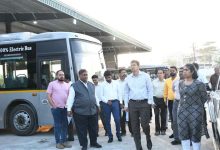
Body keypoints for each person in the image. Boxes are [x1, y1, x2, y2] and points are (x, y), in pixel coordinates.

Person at [66, 69, 102, 150]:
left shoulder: (91, 85)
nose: (86, 76)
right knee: (82, 130)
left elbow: (95, 96)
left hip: (92, 111)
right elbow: (70, 98)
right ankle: (84, 145)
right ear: (80, 76)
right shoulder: (74, 86)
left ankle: (93, 142)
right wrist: (69, 109)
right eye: (84, 75)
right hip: (80, 112)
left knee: (94, 128)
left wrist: (98, 105)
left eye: (86, 74)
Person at [124, 60, 154, 150]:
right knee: (134, 127)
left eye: (134, 65)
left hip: (144, 103)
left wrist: (149, 102)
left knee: (145, 124)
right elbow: (126, 92)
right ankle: (138, 147)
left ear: (138, 66)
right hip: (132, 104)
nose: (132, 67)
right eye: (131, 65)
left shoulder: (145, 76)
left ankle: (148, 137)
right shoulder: (128, 78)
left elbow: (150, 89)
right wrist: (126, 105)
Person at [178, 64, 208, 150]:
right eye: (183, 70)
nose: (184, 72)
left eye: (186, 70)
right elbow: (181, 97)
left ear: (192, 71)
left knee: (195, 133)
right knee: (183, 133)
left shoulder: (199, 84)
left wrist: (196, 107)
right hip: (182, 112)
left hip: (196, 112)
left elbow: (204, 97)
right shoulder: (181, 83)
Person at [47, 70, 72, 149]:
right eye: (60, 75)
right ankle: (58, 142)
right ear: (57, 76)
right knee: (57, 125)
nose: (62, 76)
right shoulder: (52, 84)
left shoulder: (67, 85)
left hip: (65, 108)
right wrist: (53, 106)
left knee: (65, 125)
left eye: (63, 75)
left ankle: (64, 141)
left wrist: (69, 107)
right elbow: (48, 96)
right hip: (56, 108)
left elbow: (69, 97)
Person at [100, 70, 122, 143]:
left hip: (115, 102)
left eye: (109, 76)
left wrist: (120, 102)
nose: (108, 78)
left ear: (111, 76)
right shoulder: (102, 85)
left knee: (117, 119)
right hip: (106, 104)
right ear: (105, 77)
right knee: (107, 121)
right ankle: (110, 136)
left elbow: (119, 93)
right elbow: (101, 95)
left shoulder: (116, 83)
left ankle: (118, 134)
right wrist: (106, 101)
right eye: (106, 77)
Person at [117, 68, 133, 136]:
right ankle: (123, 132)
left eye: (125, 72)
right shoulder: (116, 82)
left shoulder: (129, 81)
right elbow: (117, 93)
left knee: (131, 117)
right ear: (119, 74)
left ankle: (132, 131)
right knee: (121, 117)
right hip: (120, 102)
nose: (124, 74)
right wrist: (120, 103)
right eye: (122, 72)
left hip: (129, 101)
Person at [163, 66, 178, 138]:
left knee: (178, 118)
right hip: (170, 101)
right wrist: (165, 100)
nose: (172, 72)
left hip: (178, 101)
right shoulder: (167, 80)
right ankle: (174, 132)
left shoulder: (179, 80)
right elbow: (165, 91)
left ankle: (180, 134)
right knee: (172, 118)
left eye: (173, 70)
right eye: (171, 71)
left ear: (176, 71)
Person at [171, 67, 184, 145]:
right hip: (176, 102)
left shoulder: (190, 81)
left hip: (186, 103)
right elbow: (173, 90)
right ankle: (177, 139)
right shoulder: (175, 81)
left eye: (184, 71)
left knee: (185, 122)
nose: (182, 73)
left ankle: (187, 139)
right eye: (181, 71)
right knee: (175, 121)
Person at [152, 68, 166, 136]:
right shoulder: (154, 82)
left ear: (164, 74)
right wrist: (152, 102)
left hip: (164, 100)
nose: (160, 74)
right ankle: (157, 130)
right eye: (158, 73)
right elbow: (151, 92)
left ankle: (163, 129)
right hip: (155, 99)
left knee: (163, 115)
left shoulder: (166, 82)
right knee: (156, 115)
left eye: (161, 73)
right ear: (156, 74)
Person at [64, 74, 75, 141]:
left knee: (68, 122)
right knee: (69, 121)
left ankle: (70, 137)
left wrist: (69, 108)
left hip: (70, 106)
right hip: (72, 106)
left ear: (67, 79)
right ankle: (71, 136)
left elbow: (70, 98)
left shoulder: (70, 85)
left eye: (64, 80)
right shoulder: (73, 84)